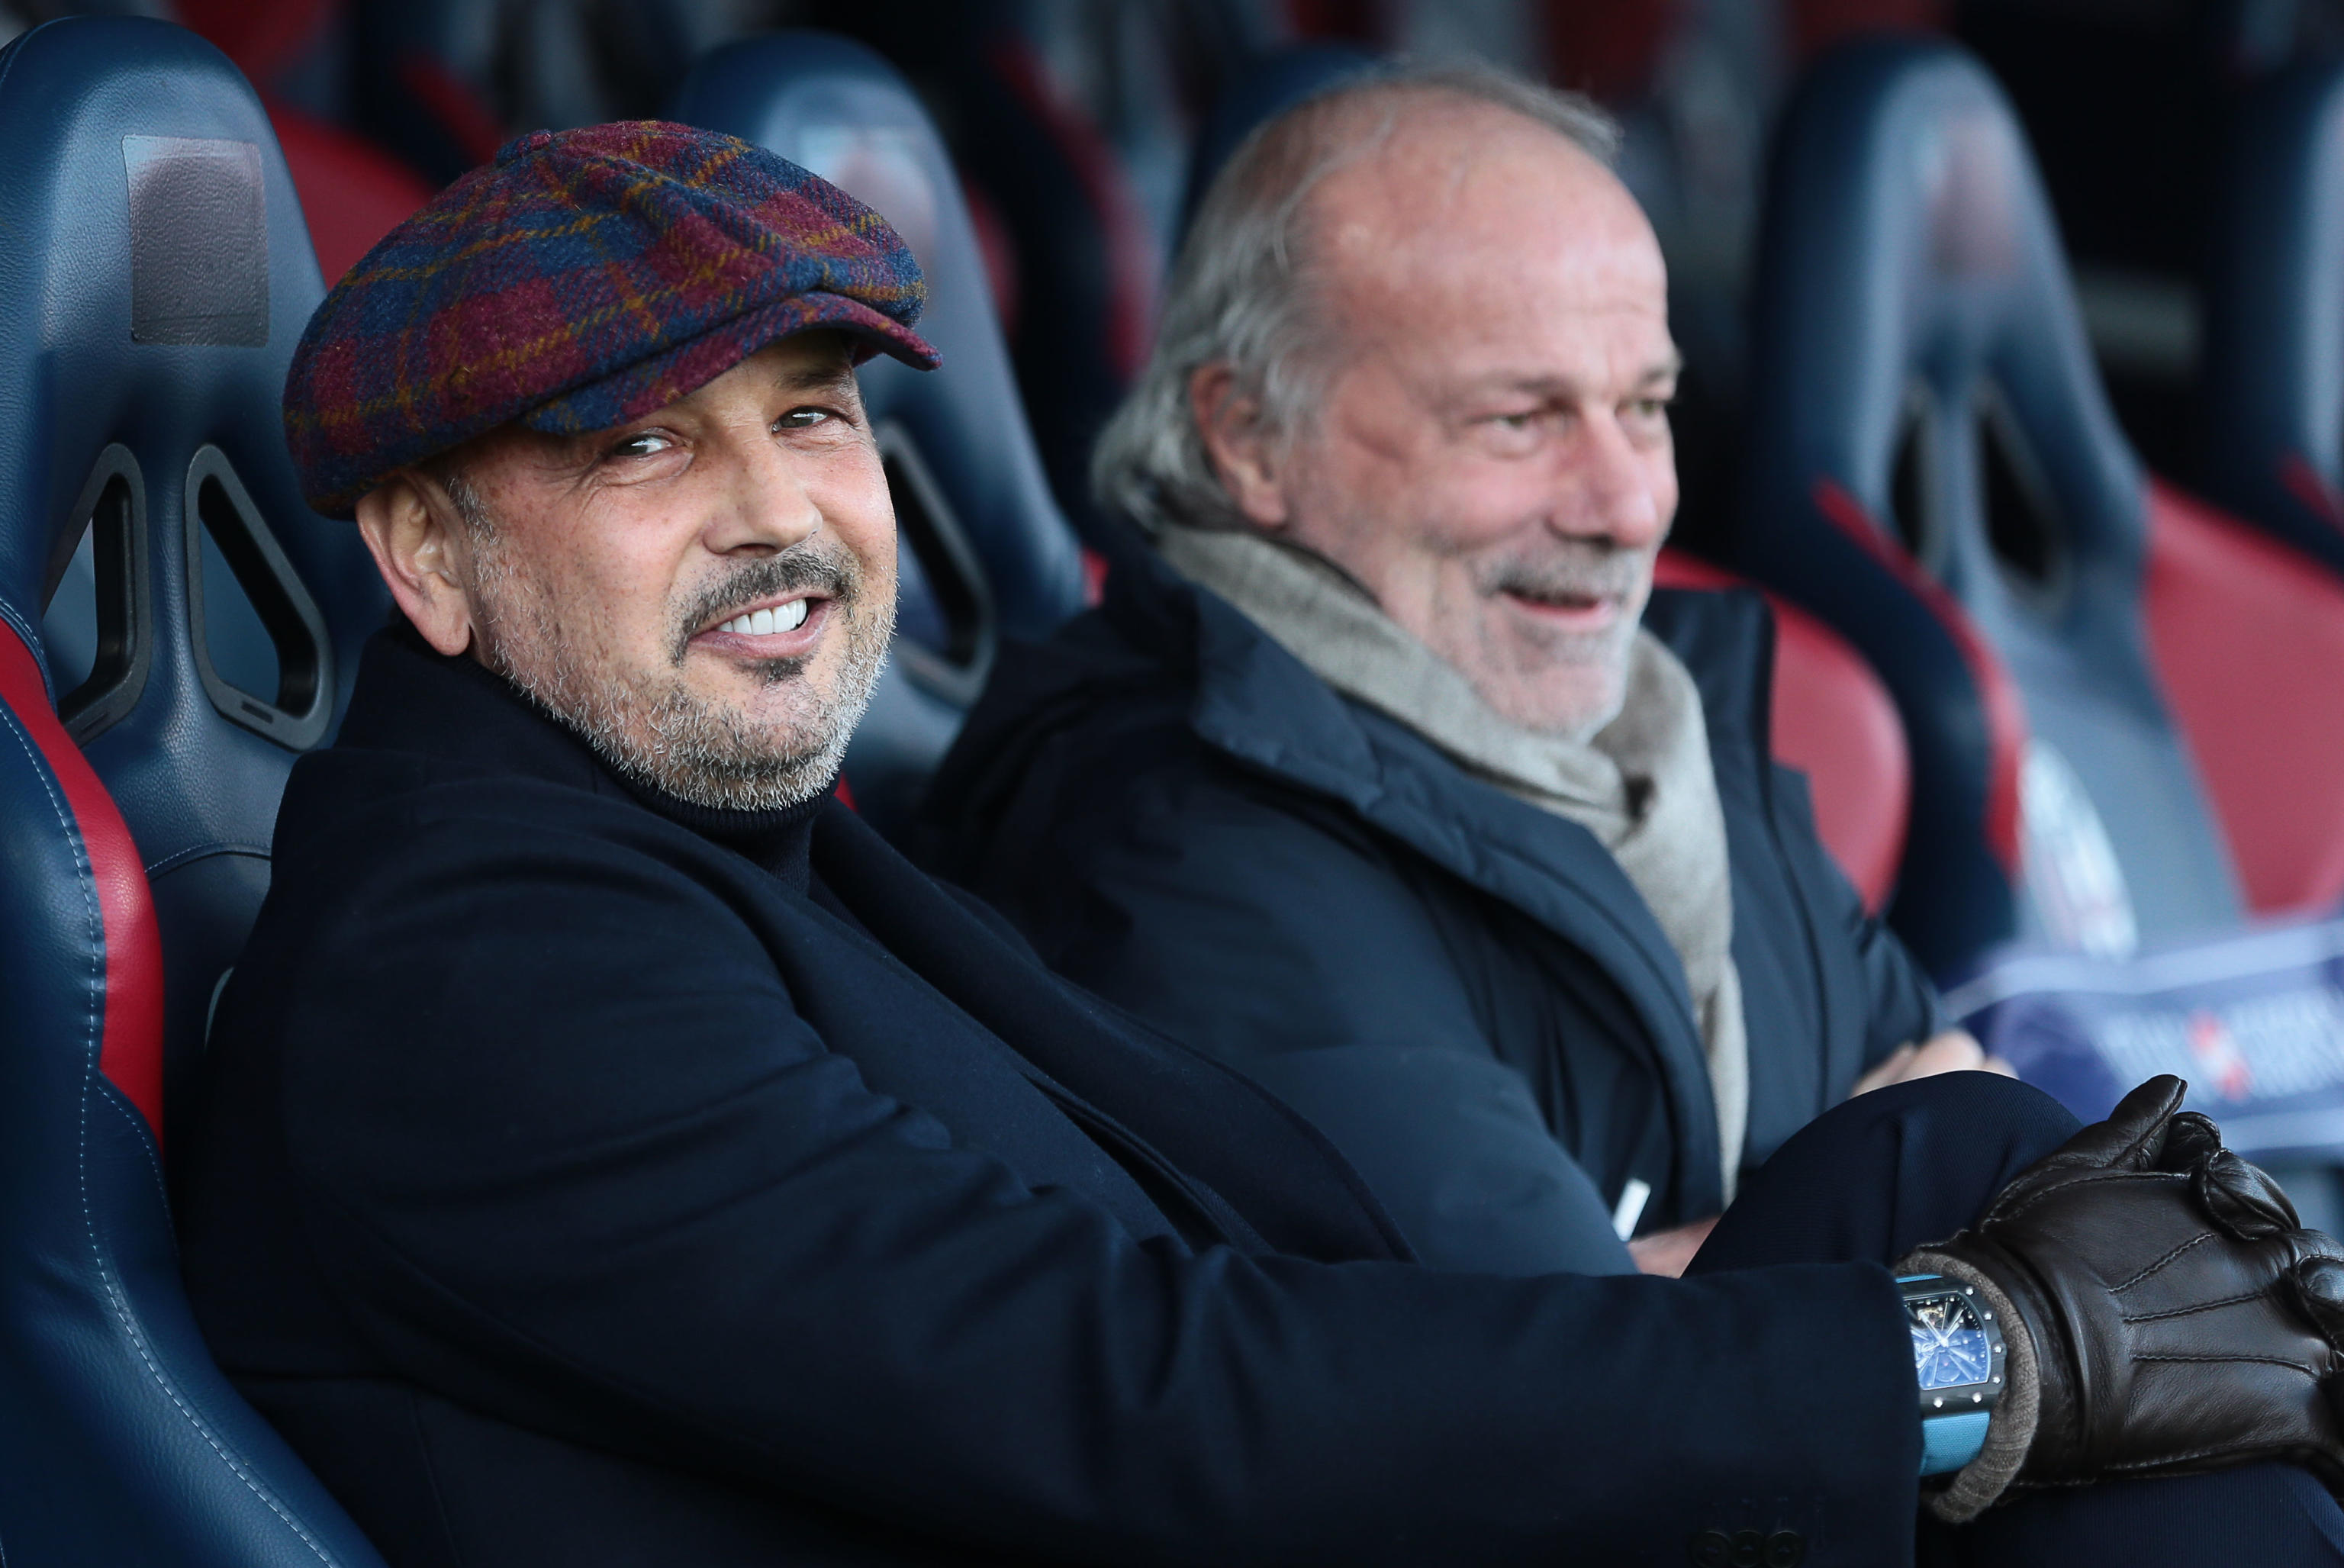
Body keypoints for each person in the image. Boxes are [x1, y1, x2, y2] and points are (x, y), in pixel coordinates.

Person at [179, 121, 2344, 1567]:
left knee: (1969, 1175)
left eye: (814, 416)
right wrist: (1958, 1359)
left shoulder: (715, 834)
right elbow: (1132, 1393)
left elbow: (1240, 1294)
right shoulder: (479, 954)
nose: (778, 511)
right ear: (431, 556)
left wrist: (1975, 1290)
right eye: (644, 445)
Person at [922, 66, 1995, 1281]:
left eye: (1644, 407)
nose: (1629, 503)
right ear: (1250, 437)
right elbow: (1565, 1385)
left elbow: (2003, 1142)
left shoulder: (1659, 724)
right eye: (1518, 420)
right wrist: (1906, 1224)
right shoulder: (1176, 834)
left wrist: (1744, 1255)